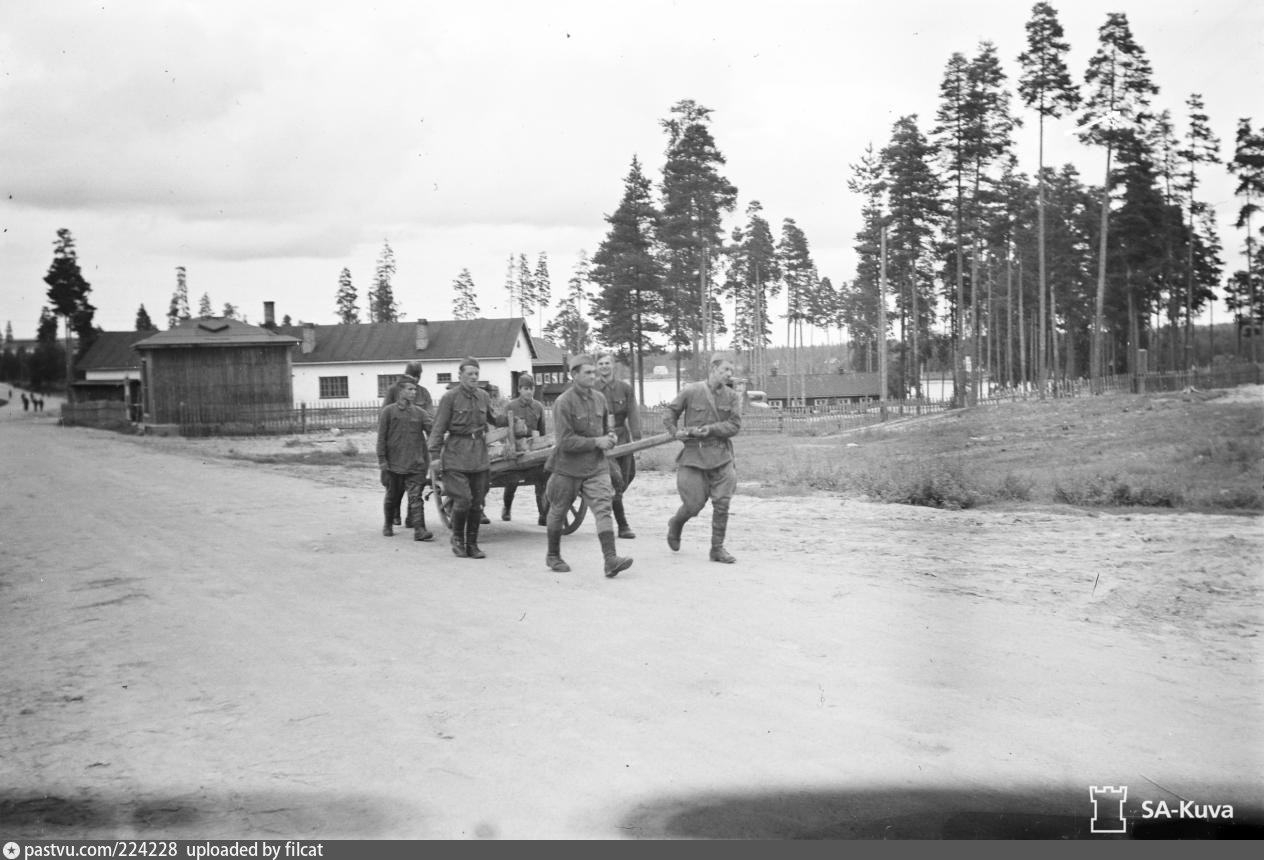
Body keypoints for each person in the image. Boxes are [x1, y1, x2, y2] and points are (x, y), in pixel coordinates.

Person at [544, 355, 633, 578]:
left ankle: (610, 560)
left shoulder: (600, 399)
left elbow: (607, 428)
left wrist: (610, 437)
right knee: (559, 509)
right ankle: (553, 555)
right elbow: (564, 441)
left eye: (594, 372)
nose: (593, 376)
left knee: (604, 508)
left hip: (595, 466)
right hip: (567, 467)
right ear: (574, 375)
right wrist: (596, 442)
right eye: (588, 373)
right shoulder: (563, 402)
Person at [662, 355, 742, 564]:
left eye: (730, 371)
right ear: (713, 369)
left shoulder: (732, 396)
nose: (729, 374)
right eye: (725, 370)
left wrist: (711, 429)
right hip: (694, 457)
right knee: (693, 505)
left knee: (722, 503)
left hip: (722, 456)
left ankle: (717, 548)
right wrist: (674, 431)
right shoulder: (691, 391)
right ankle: (676, 523)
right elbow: (670, 412)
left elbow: (734, 425)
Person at [428, 357, 509, 559]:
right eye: (470, 374)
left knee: (478, 502)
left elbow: (494, 419)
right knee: (463, 500)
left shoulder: (483, 396)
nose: (474, 377)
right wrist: (435, 457)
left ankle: (472, 544)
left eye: (476, 374)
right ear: (460, 376)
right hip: (456, 455)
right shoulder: (450, 398)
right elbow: (438, 429)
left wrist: (509, 417)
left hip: (479, 457)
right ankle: (457, 539)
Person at [376, 376, 435, 541]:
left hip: (416, 462)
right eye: (410, 389)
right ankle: (388, 524)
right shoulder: (388, 412)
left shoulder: (420, 413)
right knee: (392, 496)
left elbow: (433, 430)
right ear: (400, 391)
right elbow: (381, 438)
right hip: (394, 464)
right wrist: (382, 462)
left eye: (415, 389)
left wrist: (442, 435)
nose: (413, 392)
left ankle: (419, 530)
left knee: (416, 496)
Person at [593, 351, 642, 539]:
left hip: (623, 438)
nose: (604, 366)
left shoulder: (625, 388)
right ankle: (623, 525)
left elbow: (634, 415)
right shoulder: (593, 389)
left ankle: (613, 497)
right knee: (616, 480)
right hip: (604, 441)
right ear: (596, 367)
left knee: (629, 476)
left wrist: (637, 442)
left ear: (613, 365)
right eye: (601, 364)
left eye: (607, 363)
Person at [501, 375, 549, 526]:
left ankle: (543, 514)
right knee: (512, 481)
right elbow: (501, 431)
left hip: (534, 449)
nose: (529, 392)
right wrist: (511, 445)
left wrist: (543, 445)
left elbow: (542, 432)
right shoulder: (510, 407)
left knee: (541, 480)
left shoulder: (538, 407)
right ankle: (507, 507)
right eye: (526, 389)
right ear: (519, 389)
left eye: (531, 388)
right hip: (517, 450)